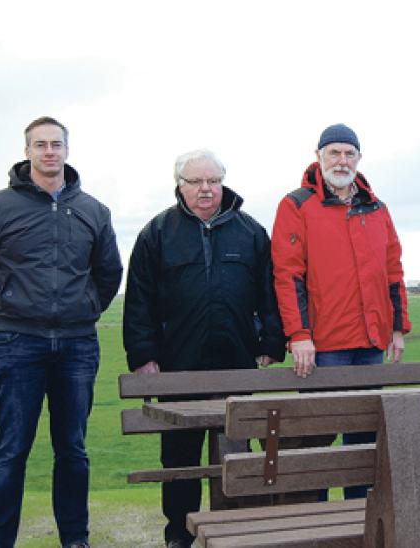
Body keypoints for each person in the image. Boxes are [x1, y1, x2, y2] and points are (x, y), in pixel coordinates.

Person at [0, 116, 123, 548]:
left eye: (56, 144)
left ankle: (75, 539)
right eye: (40, 144)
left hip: (77, 346)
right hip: (20, 346)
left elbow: (108, 274)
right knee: (10, 451)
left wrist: (83, 311)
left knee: (73, 450)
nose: (49, 151)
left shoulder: (93, 210)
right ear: (27, 151)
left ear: (67, 150)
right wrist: (6, 323)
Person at [122, 149, 286, 548]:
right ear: (179, 185)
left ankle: (236, 529)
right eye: (196, 181)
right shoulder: (157, 233)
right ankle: (179, 532)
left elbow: (269, 293)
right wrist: (144, 355)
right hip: (179, 364)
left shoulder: (250, 232)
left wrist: (270, 342)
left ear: (223, 182)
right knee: (179, 456)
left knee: (237, 451)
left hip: (236, 361)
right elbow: (139, 300)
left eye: (213, 180)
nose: (206, 189)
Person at [271, 123, 411, 499]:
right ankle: (315, 521)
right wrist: (299, 335)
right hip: (324, 345)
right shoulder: (296, 204)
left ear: (359, 159)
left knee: (365, 436)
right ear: (318, 156)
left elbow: (393, 271)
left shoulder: (377, 208)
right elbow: (288, 277)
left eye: (349, 153)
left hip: (370, 342)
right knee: (318, 432)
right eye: (334, 152)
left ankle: (359, 520)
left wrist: (397, 328)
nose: (342, 160)